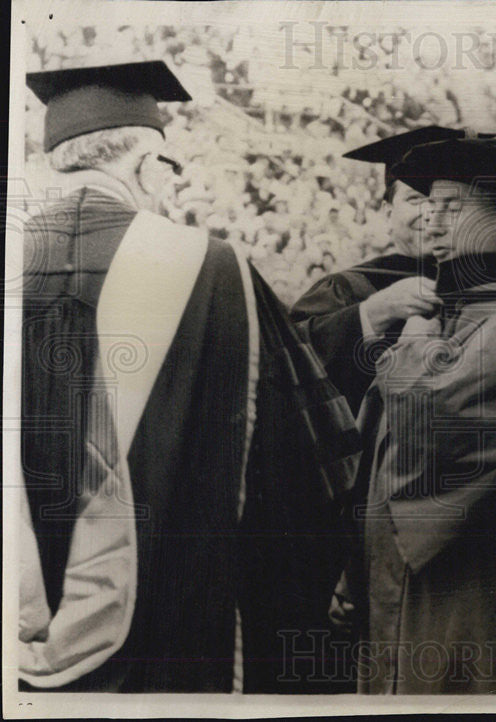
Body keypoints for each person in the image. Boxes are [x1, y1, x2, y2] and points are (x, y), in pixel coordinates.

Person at [18, 61, 359, 693]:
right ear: (147, 167)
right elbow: (295, 458)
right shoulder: (210, 267)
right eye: (169, 169)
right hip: (171, 626)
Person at [343, 137, 496, 693]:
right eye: (428, 208)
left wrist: (412, 343)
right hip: (409, 585)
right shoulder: (459, 308)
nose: (431, 225)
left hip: (477, 590)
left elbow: (432, 426)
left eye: (451, 208)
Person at [290, 126, 495, 413]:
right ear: (388, 212)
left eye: (446, 203)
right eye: (416, 199)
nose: (431, 213)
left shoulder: (492, 281)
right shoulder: (349, 288)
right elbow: (285, 363)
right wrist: (375, 311)